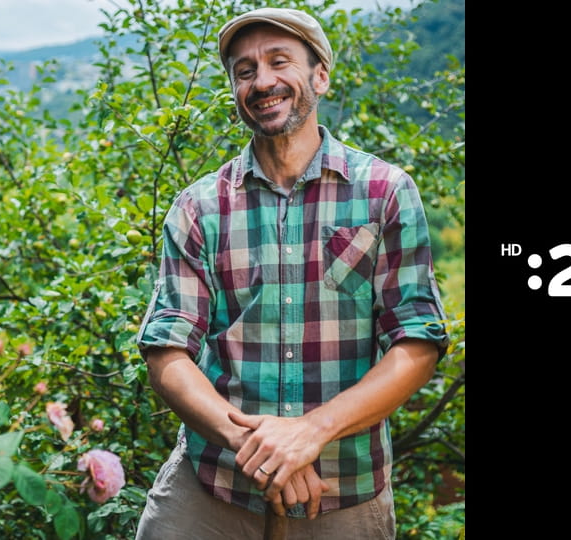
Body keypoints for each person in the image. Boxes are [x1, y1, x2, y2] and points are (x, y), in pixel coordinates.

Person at [133, 6, 450, 539]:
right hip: (214, 484)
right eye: (245, 70)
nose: (263, 81)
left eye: (280, 61)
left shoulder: (385, 191)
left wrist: (310, 433)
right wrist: (259, 447)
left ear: (319, 75)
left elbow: (417, 342)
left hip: (344, 489)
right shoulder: (200, 207)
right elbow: (167, 352)